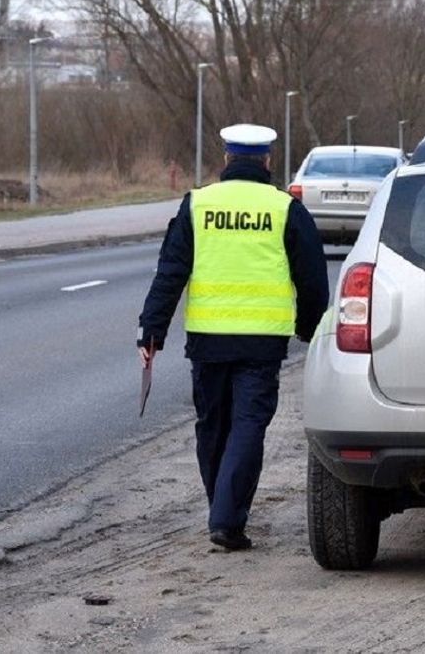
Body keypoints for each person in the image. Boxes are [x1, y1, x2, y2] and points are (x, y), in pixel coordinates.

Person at [137, 123, 329, 551]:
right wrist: (309, 326)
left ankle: (221, 511)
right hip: (261, 342)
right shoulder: (283, 208)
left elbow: (170, 272)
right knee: (247, 426)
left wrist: (151, 331)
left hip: (208, 339)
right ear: (267, 160)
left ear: (226, 159)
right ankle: (226, 518)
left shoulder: (198, 204)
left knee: (212, 427)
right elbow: (313, 277)